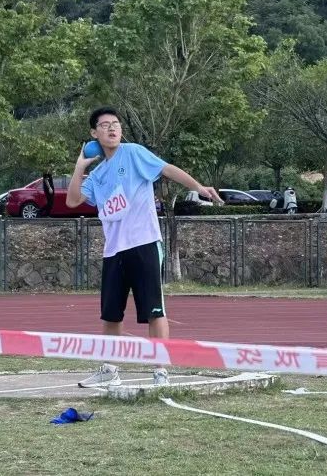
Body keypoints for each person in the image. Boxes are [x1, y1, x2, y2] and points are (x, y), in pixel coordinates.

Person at [67, 106, 223, 387]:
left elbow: (167, 169)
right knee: (111, 314)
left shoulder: (133, 153)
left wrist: (199, 187)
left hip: (144, 243)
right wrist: (80, 167)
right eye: (105, 125)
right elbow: (72, 200)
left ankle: (160, 370)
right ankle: (109, 369)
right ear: (94, 134)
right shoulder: (98, 174)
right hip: (113, 251)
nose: (112, 128)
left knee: (154, 311)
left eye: (116, 123)